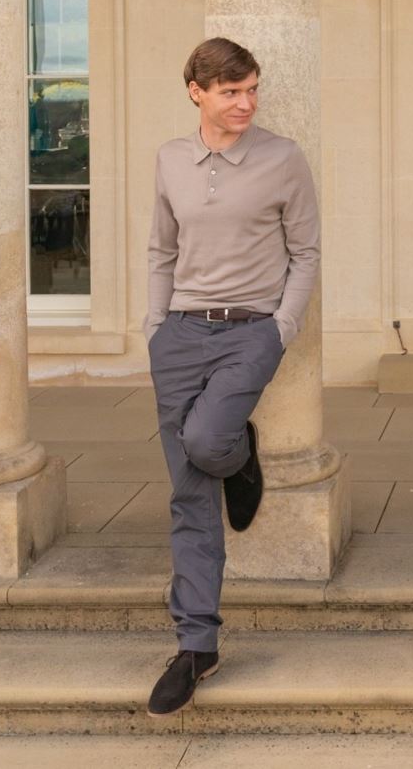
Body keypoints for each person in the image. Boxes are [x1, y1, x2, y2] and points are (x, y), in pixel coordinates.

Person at [144, 37, 320, 715]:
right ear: (197, 91)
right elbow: (161, 248)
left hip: (252, 330)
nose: (245, 103)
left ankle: (236, 448)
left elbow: (306, 251)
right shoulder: (169, 159)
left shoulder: (283, 159)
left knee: (208, 442)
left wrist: (283, 326)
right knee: (189, 497)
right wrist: (156, 327)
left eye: (252, 90)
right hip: (182, 333)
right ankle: (197, 645)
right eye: (230, 92)